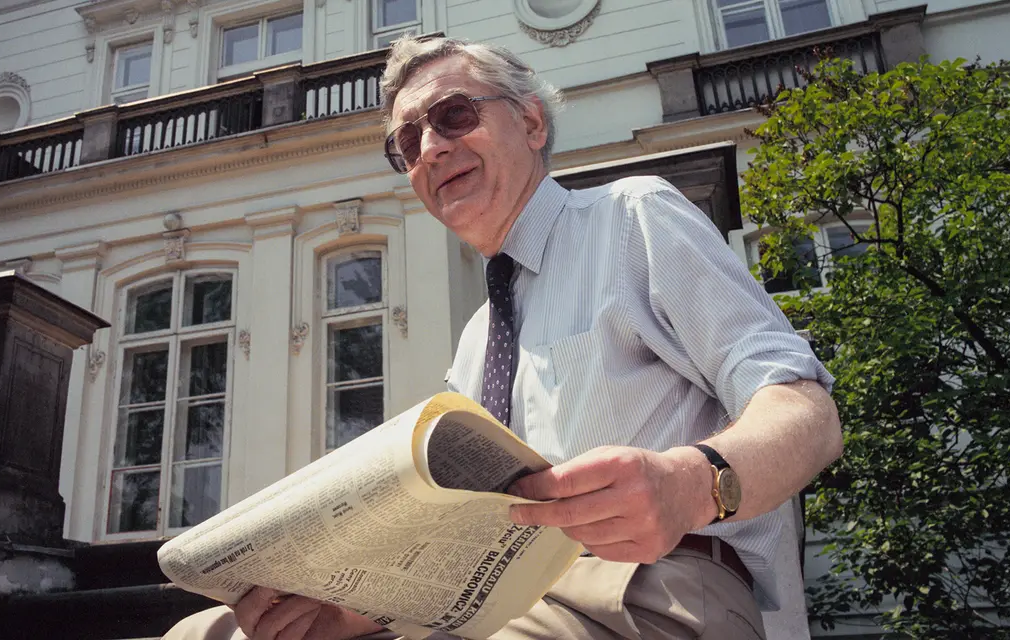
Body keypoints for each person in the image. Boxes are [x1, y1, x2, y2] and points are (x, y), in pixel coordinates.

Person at [164, 35, 842, 640]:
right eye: (407, 144)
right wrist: (350, 613)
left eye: (455, 114)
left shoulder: (631, 218)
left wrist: (692, 483)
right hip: (499, 608)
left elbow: (808, 413)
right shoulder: (476, 340)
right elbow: (472, 550)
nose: (431, 148)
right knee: (206, 631)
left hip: (648, 590)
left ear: (532, 122)